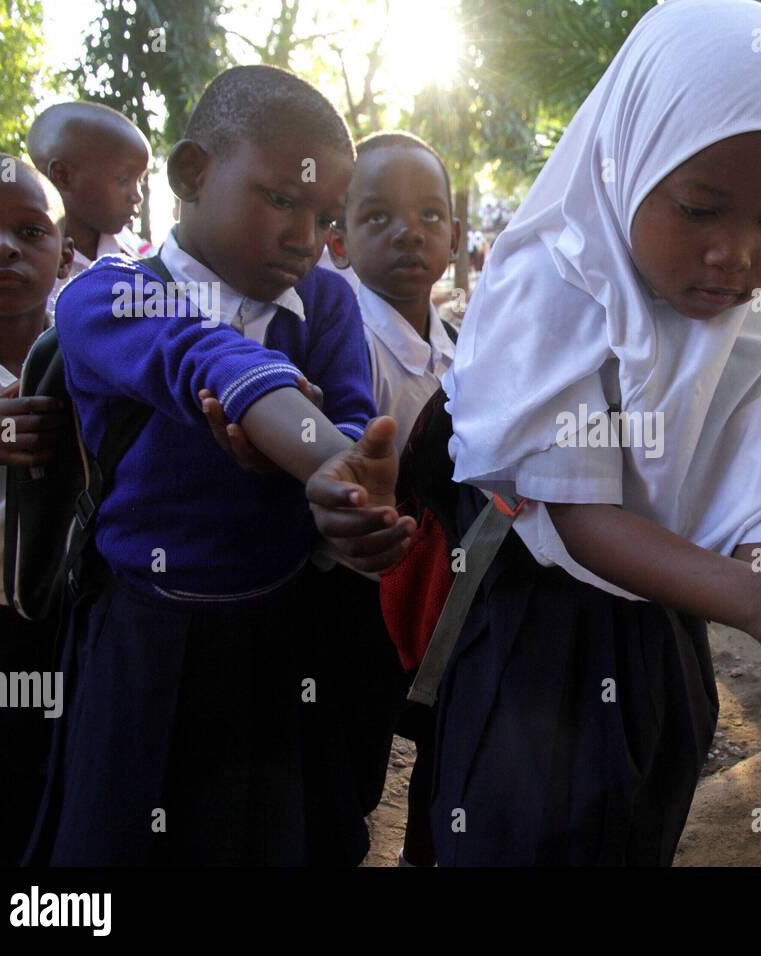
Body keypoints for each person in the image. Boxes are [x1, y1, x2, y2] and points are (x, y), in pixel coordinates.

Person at [315, 0, 761, 866]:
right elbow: (575, 514)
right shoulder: (553, 284)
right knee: (514, 829)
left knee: (638, 813)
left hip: (668, 620)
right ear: (629, 160)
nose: (737, 254)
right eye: (700, 209)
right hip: (534, 640)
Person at [25, 65, 416, 866]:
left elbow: (345, 417)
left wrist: (345, 500)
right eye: (281, 200)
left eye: (326, 216)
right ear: (192, 174)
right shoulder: (107, 296)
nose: (305, 239)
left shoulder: (329, 303)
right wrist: (316, 452)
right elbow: (197, 353)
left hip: (281, 637)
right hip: (145, 641)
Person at [322, 130, 462, 867]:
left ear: (455, 234)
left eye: (430, 216)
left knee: (409, 744)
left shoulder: (464, 348)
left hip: (424, 591)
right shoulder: (336, 336)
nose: (410, 232)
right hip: (343, 596)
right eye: (379, 217)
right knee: (338, 769)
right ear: (338, 240)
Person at [0, 153, 73, 866]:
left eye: (30, 231)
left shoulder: (87, 355)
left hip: (75, 630)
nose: (1, 246)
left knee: (61, 809)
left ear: (63, 254)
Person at [26, 102, 154, 306]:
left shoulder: (141, 257)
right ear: (63, 176)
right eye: (123, 179)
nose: (137, 195)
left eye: (140, 180)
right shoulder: (27, 268)